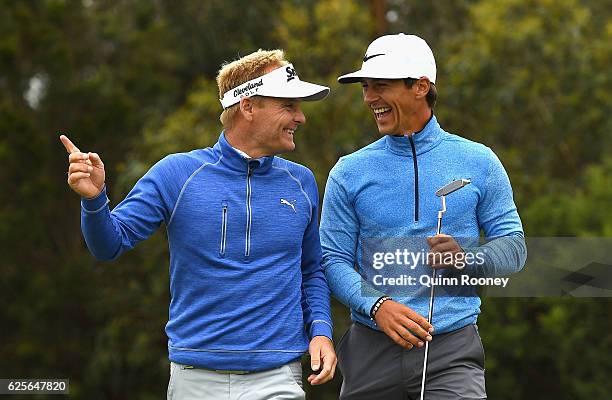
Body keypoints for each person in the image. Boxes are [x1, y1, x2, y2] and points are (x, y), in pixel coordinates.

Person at [61, 49, 337, 400]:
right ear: (248, 107)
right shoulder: (176, 173)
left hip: (278, 375)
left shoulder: (301, 181)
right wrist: (94, 199)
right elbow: (109, 245)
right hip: (195, 378)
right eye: (288, 106)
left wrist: (321, 332)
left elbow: (311, 269)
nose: (301, 117)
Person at [320, 33, 526, 399]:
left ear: (420, 86)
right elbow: (332, 260)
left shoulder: (479, 162)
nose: (369, 98)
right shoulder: (348, 172)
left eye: (380, 86)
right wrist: (377, 305)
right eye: (366, 88)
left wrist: (467, 260)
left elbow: (514, 247)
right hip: (370, 350)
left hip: (452, 351)